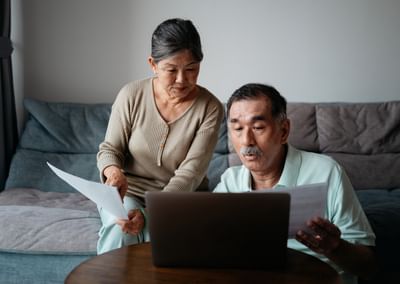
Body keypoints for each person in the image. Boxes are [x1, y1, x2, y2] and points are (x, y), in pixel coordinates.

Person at [213, 83, 377, 283]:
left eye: (258, 127)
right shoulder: (231, 180)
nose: (247, 140)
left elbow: (367, 264)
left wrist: (335, 247)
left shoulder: (325, 172)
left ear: (284, 131)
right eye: (237, 128)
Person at [96, 18, 223, 254]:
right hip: (130, 192)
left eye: (192, 69)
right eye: (171, 70)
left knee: (160, 234)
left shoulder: (210, 107)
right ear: (153, 64)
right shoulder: (131, 94)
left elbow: (191, 173)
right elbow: (110, 149)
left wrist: (150, 213)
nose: (182, 80)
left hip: (182, 199)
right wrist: (114, 173)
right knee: (120, 228)